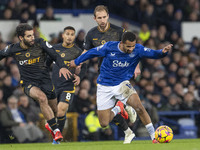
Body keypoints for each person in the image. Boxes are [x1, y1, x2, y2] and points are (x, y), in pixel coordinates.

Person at [70, 31, 173, 143]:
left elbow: (153, 53)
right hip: (104, 86)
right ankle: (119, 107)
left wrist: (163, 52)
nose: (131, 49)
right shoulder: (109, 47)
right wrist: (76, 62)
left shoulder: (138, 49)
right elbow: (91, 53)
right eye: (128, 46)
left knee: (139, 107)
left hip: (122, 84)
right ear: (122, 43)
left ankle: (153, 137)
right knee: (104, 123)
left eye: (133, 46)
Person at [0, 23, 72, 142]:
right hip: (28, 83)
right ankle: (56, 131)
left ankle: (50, 124)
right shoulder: (13, 48)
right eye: (29, 36)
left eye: (32, 35)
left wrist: (63, 67)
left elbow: (55, 55)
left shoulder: (40, 43)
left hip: (45, 81)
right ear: (21, 38)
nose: (32, 38)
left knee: (55, 110)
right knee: (42, 98)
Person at [82, 5, 138, 143]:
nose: (102, 20)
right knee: (106, 113)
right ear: (94, 18)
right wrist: (78, 64)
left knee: (116, 105)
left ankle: (125, 115)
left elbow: (132, 49)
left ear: (108, 16)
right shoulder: (91, 34)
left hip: (121, 71)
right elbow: (86, 52)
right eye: (99, 18)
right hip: (103, 73)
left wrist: (136, 67)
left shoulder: (119, 31)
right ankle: (127, 127)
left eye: (104, 17)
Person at [45, 26, 86, 144]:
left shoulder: (78, 51)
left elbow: (84, 67)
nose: (69, 36)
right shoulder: (54, 49)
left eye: (72, 34)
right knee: (53, 112)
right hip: (54, 85)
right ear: (63, 35)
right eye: (67, 34)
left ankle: (57, 138)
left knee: (61, 110)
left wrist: (79, 76)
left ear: (74, 36)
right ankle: (54, 129)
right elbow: (46, 64)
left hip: (68, 85)